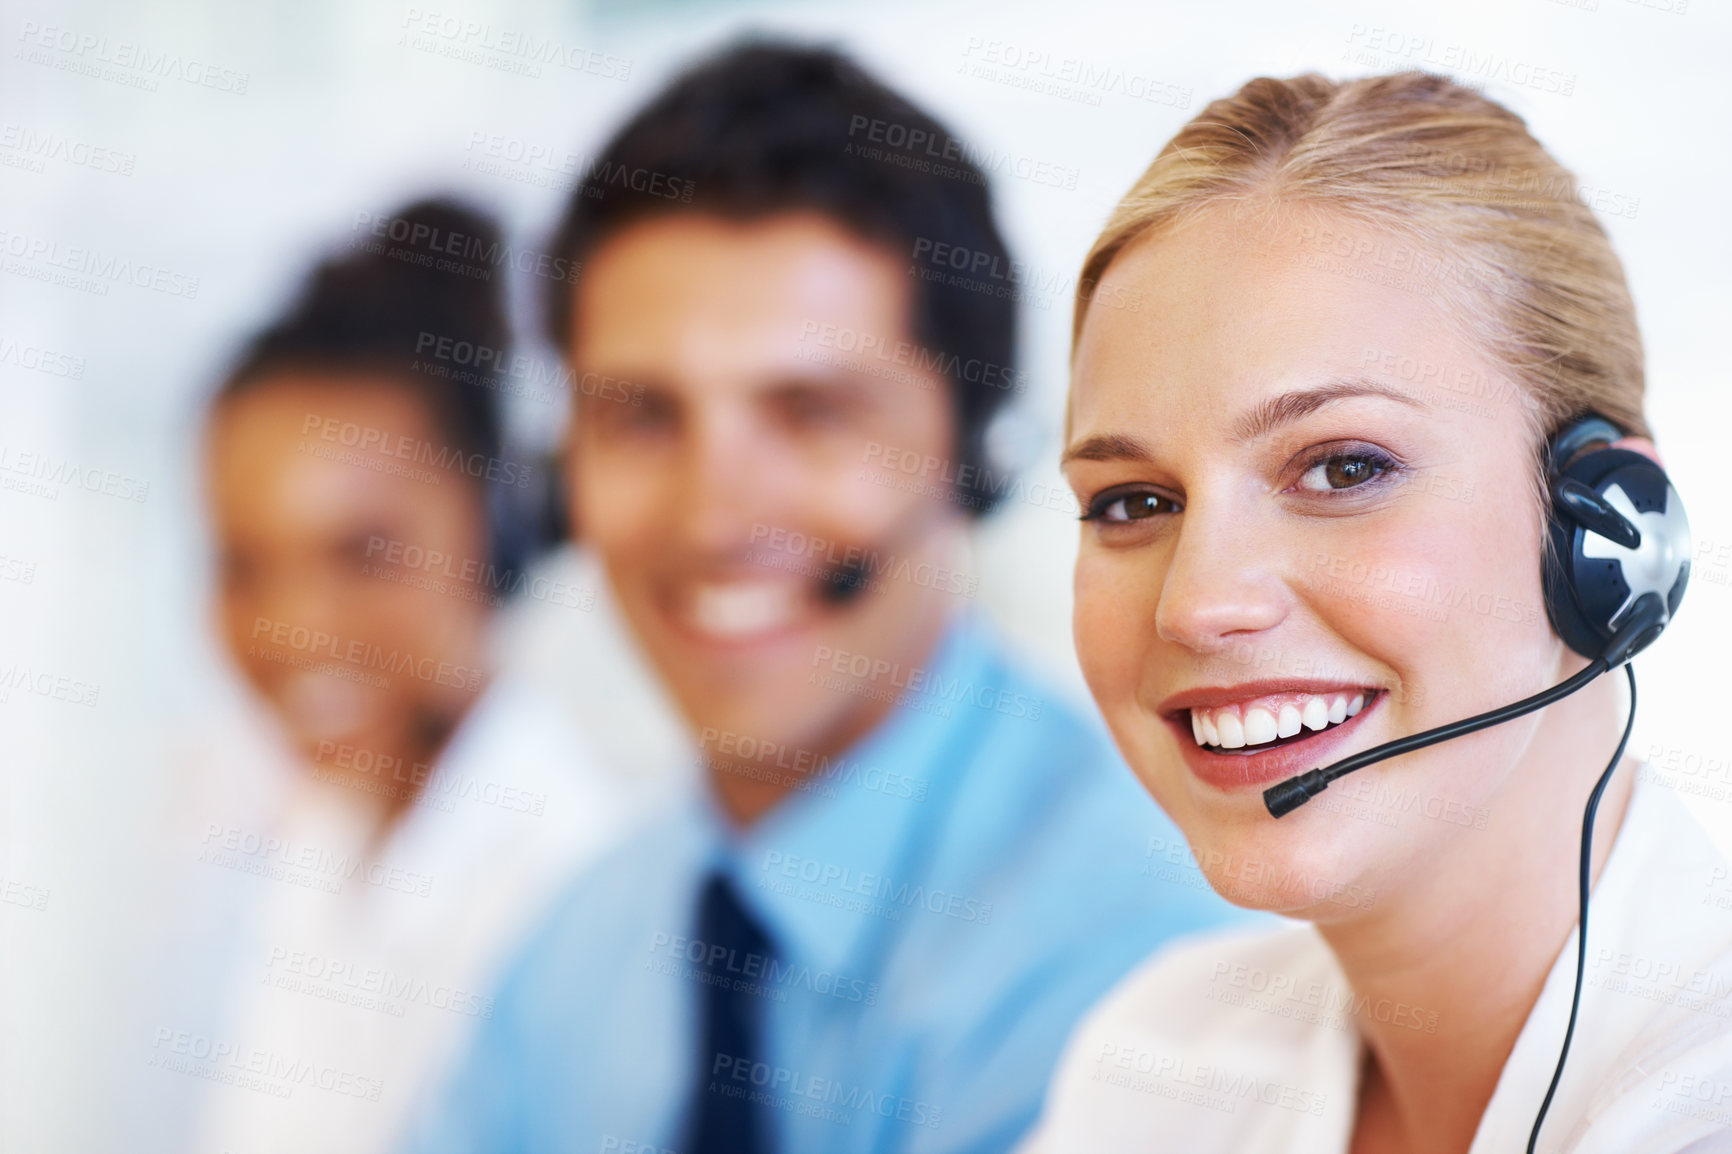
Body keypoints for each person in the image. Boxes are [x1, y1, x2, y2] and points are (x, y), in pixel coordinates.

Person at [405, 42, 1244, 1154]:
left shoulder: (1150, 956)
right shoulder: (567, 959)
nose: (713, 515)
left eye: (810, 411)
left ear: (977, 452)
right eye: (642, 416)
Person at [1024, 72, 1732, 1153]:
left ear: (1608, 534)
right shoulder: (1156, 1063)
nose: (1199, 602)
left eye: (1343, 466)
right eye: (1132, 501)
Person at [169, 199, 652, 1154]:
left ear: (499, 533)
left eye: (365, 554)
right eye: (244, 564)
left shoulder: (572, 888)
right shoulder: (318, 834)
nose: (292, 628)